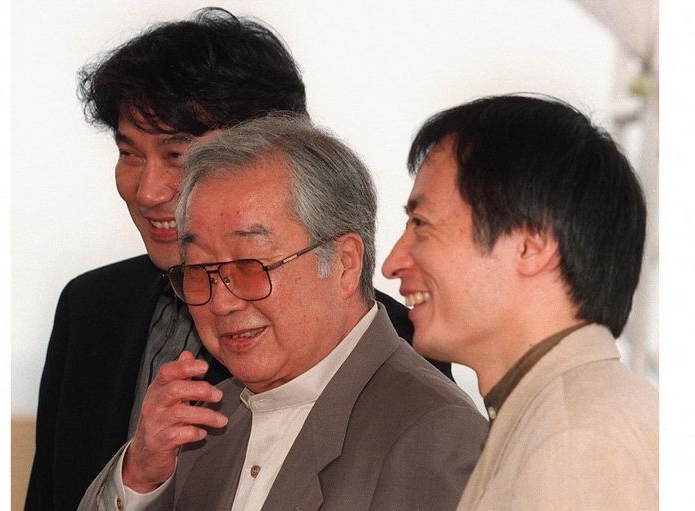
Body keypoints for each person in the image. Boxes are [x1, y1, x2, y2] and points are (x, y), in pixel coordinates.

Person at [26, 8, 452, 511]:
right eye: (129, 153)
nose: (147, 190)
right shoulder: (91, 306)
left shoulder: (391, 336)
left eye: (177, 156)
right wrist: (134, 477)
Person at [77, 114, 487, 511]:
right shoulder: (203, 426)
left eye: (250, 266)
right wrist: (141, 480)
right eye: (201, 271)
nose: (222, 302)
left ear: (345, 263)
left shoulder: (434, 433)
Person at [383, 94, 658, 510]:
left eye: (421, 224)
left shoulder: (573, 443)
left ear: (532, 246)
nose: (392, 264)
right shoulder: (561, 417)